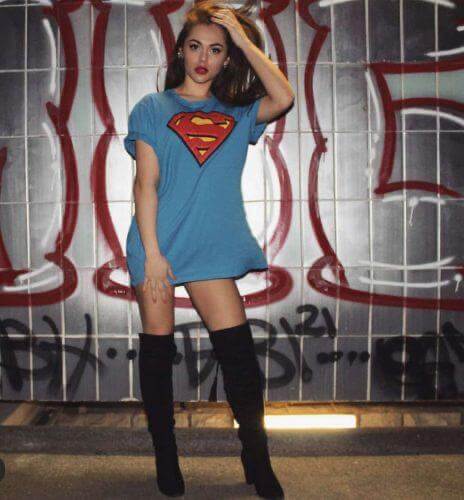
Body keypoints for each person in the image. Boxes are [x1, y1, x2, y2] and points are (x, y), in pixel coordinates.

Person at [123, 1, 294, 497]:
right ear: (181, 50)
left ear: (226, 58)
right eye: (195, 46)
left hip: (211, 246)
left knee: (238, 356)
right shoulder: (153, 108)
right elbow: (145, 184)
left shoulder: (237, 112)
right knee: (158, 352)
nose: (203, 58)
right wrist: (153, 255)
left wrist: (240, 37)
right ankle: (166, 455)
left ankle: (257, 457)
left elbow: (283, 96)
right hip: (158, 243)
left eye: (215, 50)